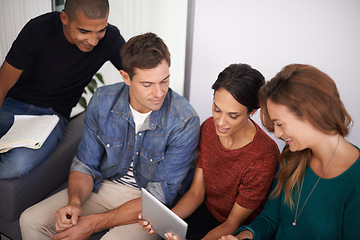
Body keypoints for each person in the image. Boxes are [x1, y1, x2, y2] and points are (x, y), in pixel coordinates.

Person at [19, 32, 200, 240]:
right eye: (147, 84)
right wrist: (75, 203)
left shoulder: (185, 121)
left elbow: (159, 196)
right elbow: (85, 163)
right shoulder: (103, 100)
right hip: (104, 187)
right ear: (126, 77)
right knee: (30, 220)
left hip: (148, 202)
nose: (159, 93)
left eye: (164, 81)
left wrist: (93, 224)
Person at [139, 63, 280, 240]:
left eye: (233, 115)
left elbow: (232, 224)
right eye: (217, 109)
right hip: (205, 211)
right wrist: (165, 221)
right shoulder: (208, 128)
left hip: (235, 229)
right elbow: (196, 193)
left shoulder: (263, 158)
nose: (220, 122)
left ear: (252, 111)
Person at [220, 64, 360, 240]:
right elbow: (271, 218)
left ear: (311, 114)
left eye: (280, 124)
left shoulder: (354, 181)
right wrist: (244, 237)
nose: (277, 134)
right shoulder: (293, 155)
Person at [0, 0, 126, 179]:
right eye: (84, 31)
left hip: (52, 117)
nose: (93, 41)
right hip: (11, 106)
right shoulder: (37, 30)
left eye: (101, 30)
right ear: (65, 18)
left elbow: (137, 72)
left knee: (17, 165)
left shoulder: (110, 38)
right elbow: (2, 83)